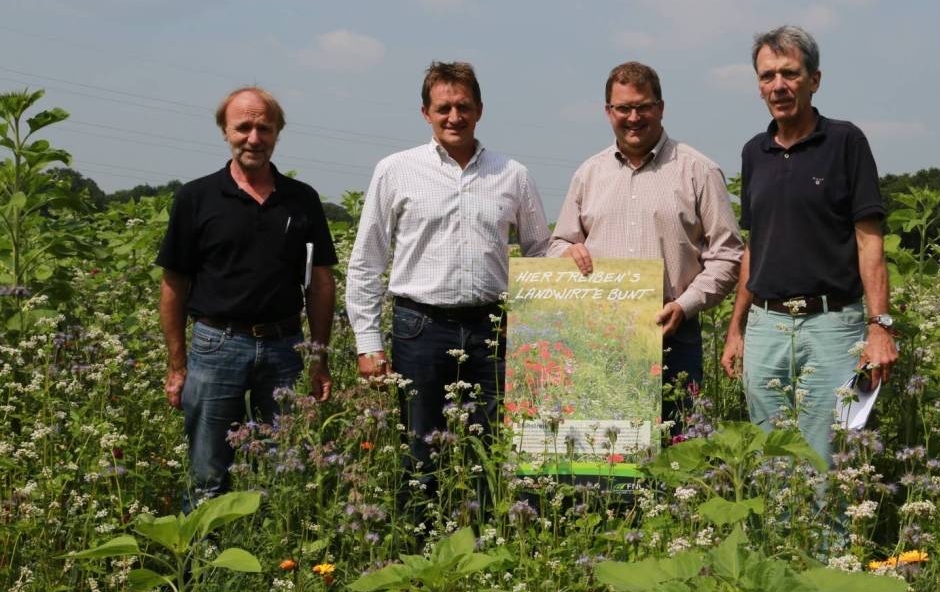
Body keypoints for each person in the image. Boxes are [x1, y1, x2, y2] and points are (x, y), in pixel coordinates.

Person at [346, 61, 550, 496]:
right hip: (419, 329)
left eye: (463, 106)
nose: (454, 117)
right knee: (420, 449)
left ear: (480, 110)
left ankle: (487, 543)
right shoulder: (395, 170)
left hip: (491, 330)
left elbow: (540, 250)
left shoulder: (512, 173)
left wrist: (577, 252)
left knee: (493, 446)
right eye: (444, 108)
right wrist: (368, 344)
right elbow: (366, 261)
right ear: (425, 113)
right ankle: (420, 549)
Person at [720, 26, 898, 465]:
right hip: (766, 327)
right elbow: (754, 247)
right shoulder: (753, 152)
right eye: (767, 76)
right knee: (770, 453)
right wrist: (736, 328)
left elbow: (869, 242)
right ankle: (781, 537)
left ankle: (829, 537)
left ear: (814, 80)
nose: (778, 86)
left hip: (831, 325)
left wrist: (879, 327)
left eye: (789, 74)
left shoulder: (845, 142)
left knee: (829, 452)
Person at [158, 87, 338, 507]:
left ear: (277, 134)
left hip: (284, 348)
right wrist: (177, 365)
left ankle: (275, 562)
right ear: (225, 131)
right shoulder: (196, 198)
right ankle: (205, 567)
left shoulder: (302, 200)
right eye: (244, 127)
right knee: (207, 472)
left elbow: (320, 283)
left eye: (264, 128)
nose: (253, 138)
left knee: (285, 468)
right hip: (216, 346)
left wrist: (319, 359)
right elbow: (173, 286)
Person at [550, 61, 742, 433]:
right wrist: (566, 253)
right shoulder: (588, 174)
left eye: (643, 106)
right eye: (623, 108)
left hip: (674, 331)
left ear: (661, 107)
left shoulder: (698, 170)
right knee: (605, 450)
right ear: (608, 112)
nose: (633, 117)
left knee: (676, 449)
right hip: (600, 335)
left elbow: (728, 254)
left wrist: (684, 307)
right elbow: (560, 242)